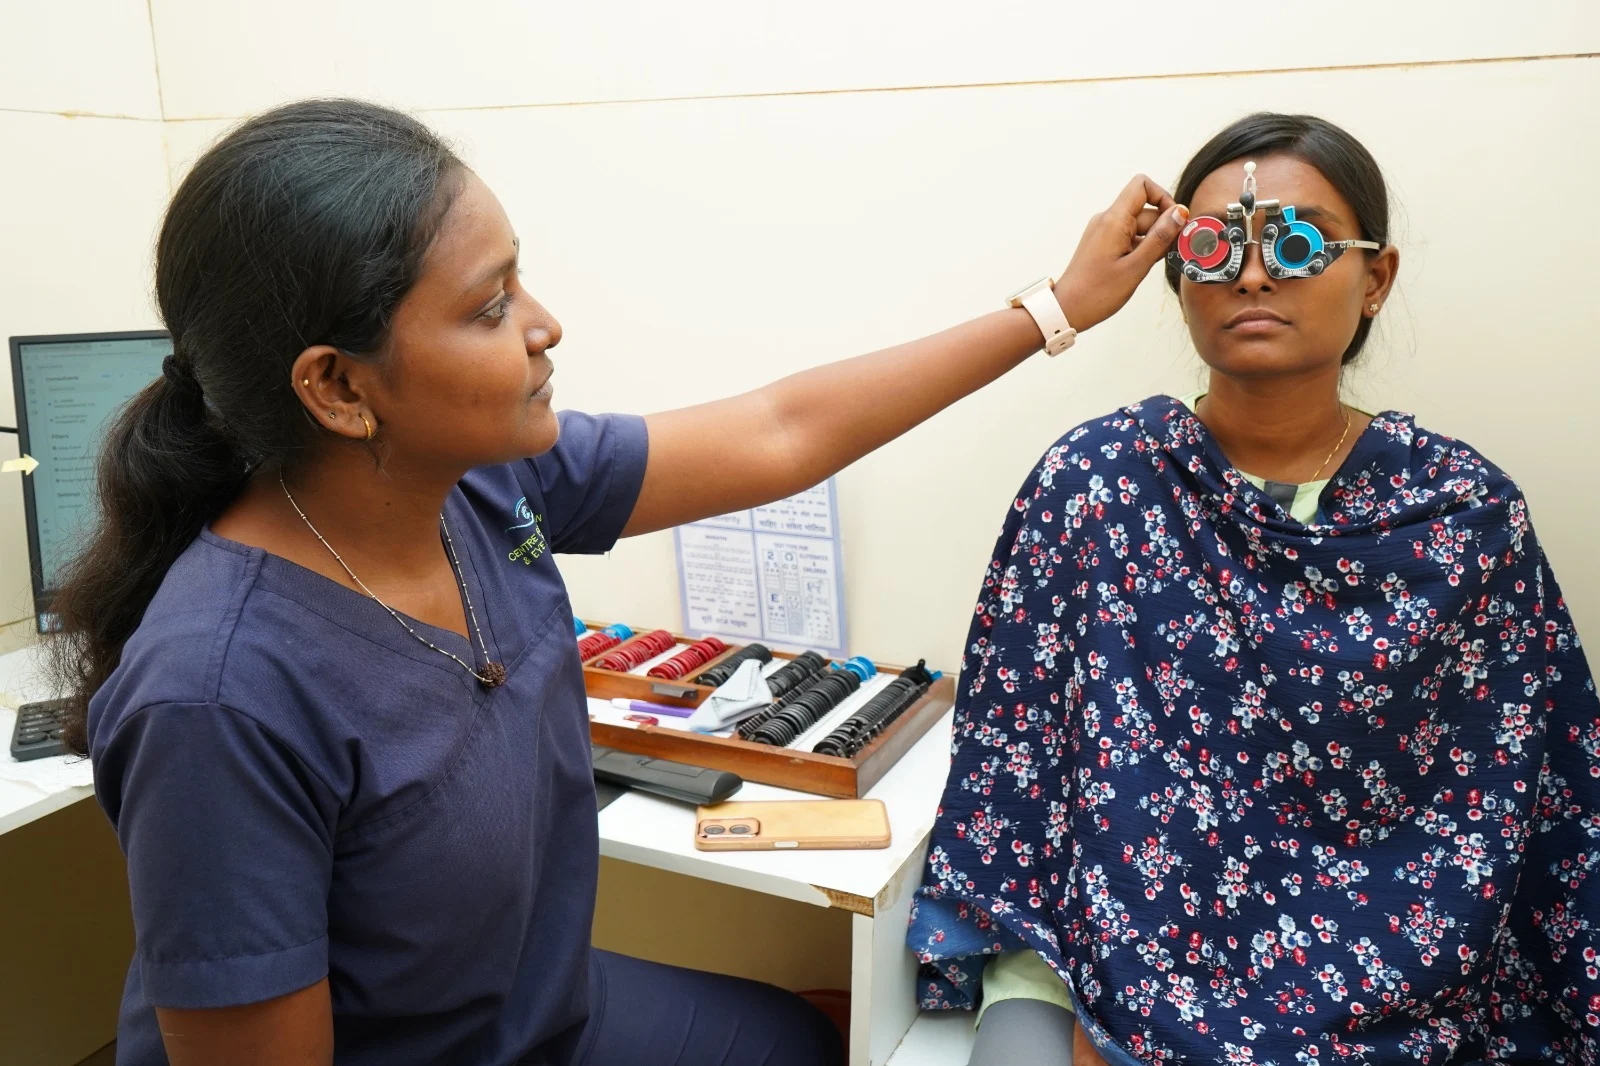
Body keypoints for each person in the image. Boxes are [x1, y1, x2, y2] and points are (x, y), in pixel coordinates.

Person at [53, 98, 1189, 1066]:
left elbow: (780, 431)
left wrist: (1056, 307)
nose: (545, 325)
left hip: (542, 1012)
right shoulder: (216, 700)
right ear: (340, 388)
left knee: (807, 1041)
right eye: (490, 306)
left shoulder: (486, 484)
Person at [908, 112, 1600, 1066]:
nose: (1253, 274)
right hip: (1106, 958)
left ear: (1376, 278)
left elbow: (1543, 799)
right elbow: (1017, 760)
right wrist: (1083, 989)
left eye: (1297, 242)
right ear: (1178, 276)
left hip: (1391, 989)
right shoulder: (1098, 483)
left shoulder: (1462, 517)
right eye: (1214, 245)